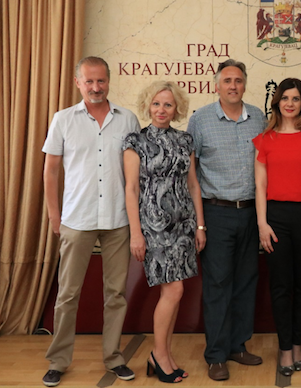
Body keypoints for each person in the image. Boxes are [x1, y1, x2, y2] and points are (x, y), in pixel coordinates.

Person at [42, 57, 140, 387]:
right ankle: (58, 360)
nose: (96, 87)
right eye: (89, 81)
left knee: (116, 294)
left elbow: (134, 175)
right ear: (78, 83)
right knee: (68, 294)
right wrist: (54, 214)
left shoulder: (128, 119)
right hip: (76, 218)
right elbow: (51, 170)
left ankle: (114, 358)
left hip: (117, 219)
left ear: (109, 81)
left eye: (101, 81)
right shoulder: (63, 119)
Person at [187, 59, 267, 381]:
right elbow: (191, 173)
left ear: (245, 84)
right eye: (227, 80)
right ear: (217, 85)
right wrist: (200, 223)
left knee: (246, 282)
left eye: (238, 80)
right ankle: (216, 355)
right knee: (218, 285)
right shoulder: (200, 119)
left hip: (250, 212)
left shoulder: (258, 117)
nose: (233, 86)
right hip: (215, 212)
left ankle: (237, 345)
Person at [123, 81, 206, 383]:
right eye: (157, 103)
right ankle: (159, 356)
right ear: (148, 105)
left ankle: (164, 355)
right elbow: (131, 189)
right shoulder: (135, 141)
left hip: (184, 226)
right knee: (174, 290)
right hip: (154, 226)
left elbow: (193, 185)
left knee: (173, 292)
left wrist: (200, 225)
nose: (161, 109)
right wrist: (136, 233)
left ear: (176, 108)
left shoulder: (185, 140)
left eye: (168, 104)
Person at [253, 78, 301, 377]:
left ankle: (298, 342)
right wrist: (262, 224)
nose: (289, 103)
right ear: (277, 102)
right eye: (285, 98)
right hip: (275, 218)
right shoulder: (265, 139)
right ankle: (285, 346)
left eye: (295, 98)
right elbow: (260, 186)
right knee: (281, 285)